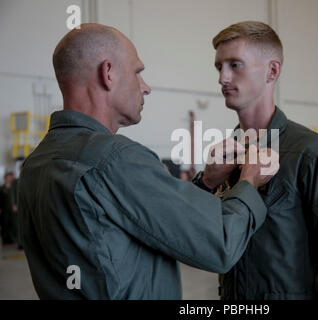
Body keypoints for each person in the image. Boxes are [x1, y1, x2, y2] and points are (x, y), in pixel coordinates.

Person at [18, 23, 279, 299]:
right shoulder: (116, 159)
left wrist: (206, 182)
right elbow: (220, 243)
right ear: (108, 73)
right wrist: (248, 181)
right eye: (137, 72)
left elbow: (149, 224)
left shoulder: (36, 164)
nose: (146, 87)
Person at [208, 21, 318, 300]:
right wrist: (206, 183)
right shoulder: (225, 156)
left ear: (272, 71)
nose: (222, 77)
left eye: (235, 65)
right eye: (219, 66)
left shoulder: (312, 152)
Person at [0, 172, 17, 245]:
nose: (10, 178)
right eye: (9, 177)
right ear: (5, 178)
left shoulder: (15, 188)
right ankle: (5, 239)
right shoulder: (2, 188)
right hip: (4, 209)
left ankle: (13, 238)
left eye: (11, 177)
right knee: (5, 224)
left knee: (13, 224)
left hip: (13, 209)